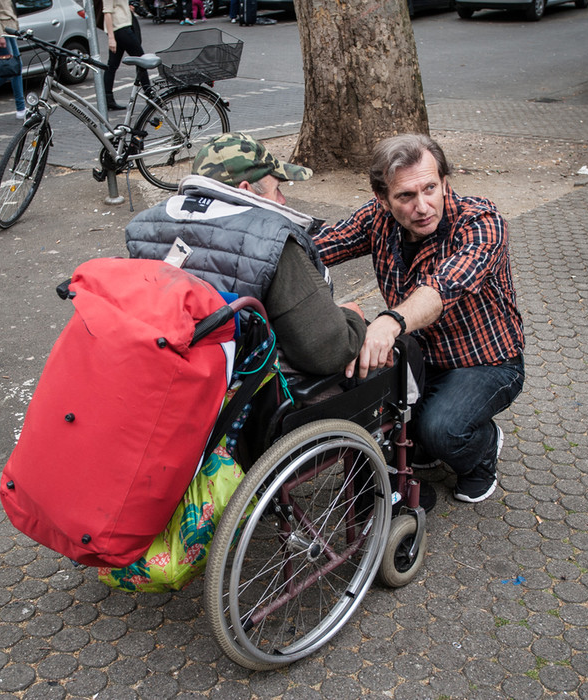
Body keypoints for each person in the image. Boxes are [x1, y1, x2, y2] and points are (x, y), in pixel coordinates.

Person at [313, 133, 525, 504]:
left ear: (445, 182)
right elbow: (319, 246)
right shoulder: (376, 217)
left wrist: (389, 321)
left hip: (486, 362)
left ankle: (483, 450)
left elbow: (443, 287)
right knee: (366, 405)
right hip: (418, 355)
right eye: (406, 196)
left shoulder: (482, 223)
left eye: (430, 188)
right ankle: (425, 437)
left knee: (441, 430)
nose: (423, 206)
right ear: (383, 199)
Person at [125, 132, 366, 377]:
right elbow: (327, 353)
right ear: (246, 189)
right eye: (277, 189)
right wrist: (352, 317)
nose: (282, 201)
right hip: (247, 390)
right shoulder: (271, 241)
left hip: (170, 371)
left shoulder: (144, 228)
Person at [101, 0, 150, 110]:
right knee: (142, 60)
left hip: (123, 27)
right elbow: (107, 13)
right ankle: (150, 95)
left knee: (112, 65)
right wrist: (111, 38)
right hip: (120, 29)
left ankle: (108, 99)